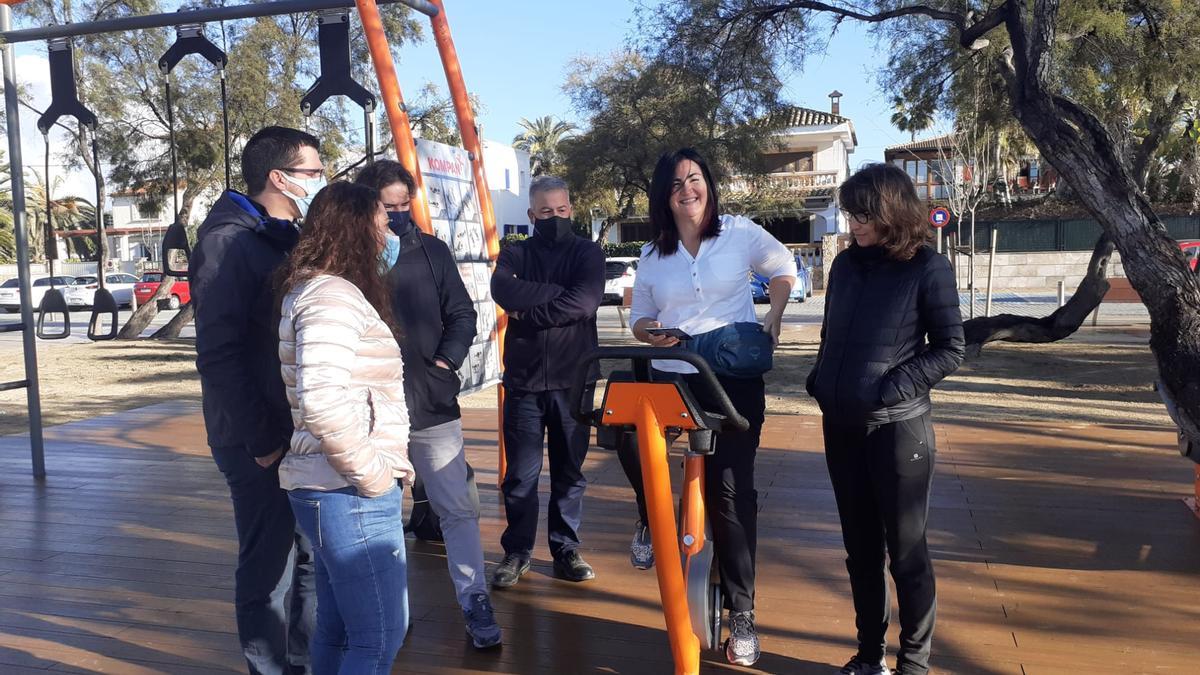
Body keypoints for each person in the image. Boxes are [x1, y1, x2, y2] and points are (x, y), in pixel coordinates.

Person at [625, 147, 796, 667]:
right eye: (676, 184)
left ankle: (742, 612)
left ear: (709, 185)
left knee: (730, 490)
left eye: (694, 180)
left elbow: (783, 268)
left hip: (732, 378)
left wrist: (775, 312)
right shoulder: (654, 254)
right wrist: (649, 334)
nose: (687, 190)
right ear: (664, 195)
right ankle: (647, 519)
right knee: (628, 437)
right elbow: (639, 316)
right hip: (676, 376)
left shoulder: (740, 231)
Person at [806, 163, 964, 675]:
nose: (855, 224)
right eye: (851, 214)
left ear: (892, 211)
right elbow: (832, 334)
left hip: (898, 431)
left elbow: (949, 349)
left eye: (864, 214)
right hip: (841, 427)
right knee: (860, 551)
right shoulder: (845, 267)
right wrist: (820, 379)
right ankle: (869, 654)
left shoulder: (927, 268)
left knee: (907, 552)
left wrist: (892, 388)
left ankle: (914, 663)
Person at [191, 126, 324, 675]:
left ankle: (306, 662)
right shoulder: (229, 241)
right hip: (258, 438)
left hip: (294, 428)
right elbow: (219, 354)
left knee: (311, 559)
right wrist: (263, 438)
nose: (322, 181)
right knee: (270, 567)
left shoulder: (281, 234)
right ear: (280, 177)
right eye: (315, 173)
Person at [354, 159, 502, 649]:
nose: (398, 215)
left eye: (404, 205)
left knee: (457, 508)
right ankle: (391, 614)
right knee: (378, 514)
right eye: (387, 207)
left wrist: (445, 363)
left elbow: (462, 313)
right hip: (369, 411)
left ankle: (475, 600)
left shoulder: (431, 249)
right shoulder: (347, 257)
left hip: (431, 404)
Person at [276, 181, 416, 673]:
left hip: (331, 484)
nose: (389, 233)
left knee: (339, 629)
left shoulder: (324, 291)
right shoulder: (331, 297)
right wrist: (375, 476)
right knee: (380, 634)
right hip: (348, 489)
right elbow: (323, 402)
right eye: (381, 222)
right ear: (356, 230)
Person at [489, 175, 605, 587]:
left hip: (573, 381)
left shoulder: (588, 252)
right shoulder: (515, 253)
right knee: (520, 476)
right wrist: (557, 296)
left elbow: (586, 301)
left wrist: (529, 312)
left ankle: (565, 549)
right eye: (545, 212)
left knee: (569, 473)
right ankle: (516, 552)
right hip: (522, 383)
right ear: (531, 215)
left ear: (570, 209)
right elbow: (501, 289)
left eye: (561, 210)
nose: (554, 217)